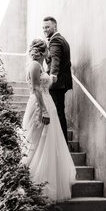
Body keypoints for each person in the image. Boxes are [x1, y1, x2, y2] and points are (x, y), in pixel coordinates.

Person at [22, 39, 76, 202]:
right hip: (40, 106)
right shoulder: (34, 65)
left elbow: (45, 84)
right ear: (42, 51)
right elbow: (36, 89)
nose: (49, 54)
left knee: (47, 143)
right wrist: (44, 110)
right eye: (48, 51)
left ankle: (43, 182)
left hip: (47, 102)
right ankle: (28, 181)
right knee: (35, 141)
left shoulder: (39, 66)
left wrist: (52, 77)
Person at [43, 16, 72, 144]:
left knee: (58, 112)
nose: (45, 29)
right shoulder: (62, 39)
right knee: (59, 111)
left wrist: (52, 75)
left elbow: (55, 59)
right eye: (43, 27)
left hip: (57, 83)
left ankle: (62, 143)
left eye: (47, 27)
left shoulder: (55, 41)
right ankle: (62, 142)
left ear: (55, 26)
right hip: (62, 82)